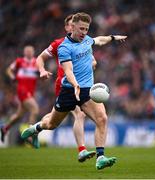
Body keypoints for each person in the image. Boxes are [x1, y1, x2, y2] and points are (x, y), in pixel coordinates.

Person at [21, 12, 127, 170]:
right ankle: (35, 128)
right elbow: (68, 71)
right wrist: (75, 84)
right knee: (51, 124)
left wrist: (113, 37)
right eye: (81, 29)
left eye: (86, 29)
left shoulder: (87, 39)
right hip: (69, 91)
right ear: (72, 28)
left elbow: (99, 40)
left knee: (102, 118)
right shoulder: (64, 47)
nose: (84, 32)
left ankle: (100, 157)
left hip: (87, 91)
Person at [41, 14, 97, 162]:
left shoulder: (83, 40)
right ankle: (81, 150)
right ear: (68, 27)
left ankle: (36, 127)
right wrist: (41, 70)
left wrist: (92, 61)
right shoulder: (59, 44)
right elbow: (40, 58)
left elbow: (90, 56)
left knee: (64, 118)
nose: (82, 31)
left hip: (80, 85)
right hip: (64, 85)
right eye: (71, 24)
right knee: (72, 117)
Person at [0, 45, 39, 147]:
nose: (29, 52)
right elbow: (9, 70)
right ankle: (29, 135)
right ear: (24, 52)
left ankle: (5, 128)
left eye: (30, 51)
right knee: (34, 109)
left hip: (31, 92)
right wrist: (13, 77)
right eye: (27, 51)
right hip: (22, 90)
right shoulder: (19, 61)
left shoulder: (37, 62)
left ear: (33, 52)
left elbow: (40, 74)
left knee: (19, 115)